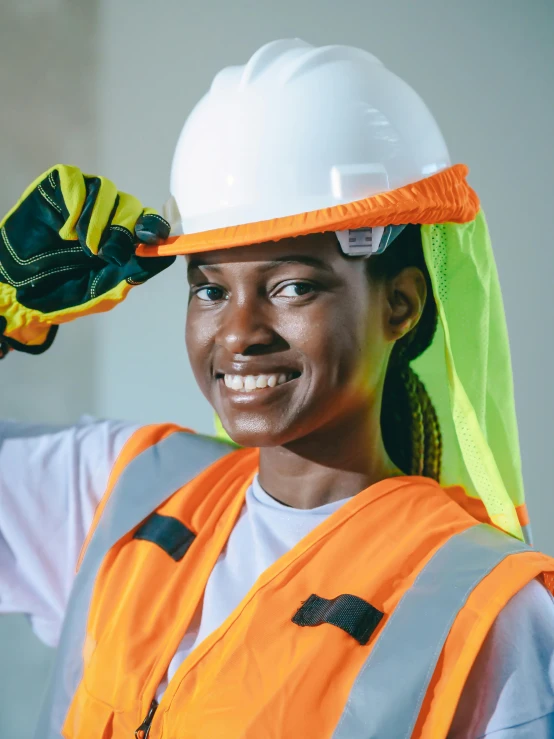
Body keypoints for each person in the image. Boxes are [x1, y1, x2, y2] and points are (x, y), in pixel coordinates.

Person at [1, 39, 553, 739]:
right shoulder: (125, 495)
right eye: (208, 288)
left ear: (401, 305)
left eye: (292, 286)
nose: (238, 333)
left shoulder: (482, 608)